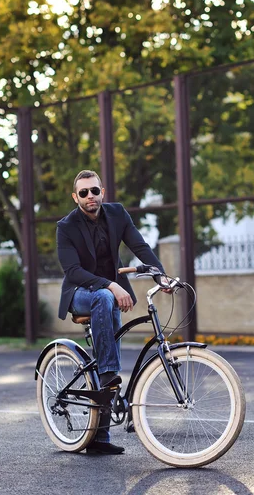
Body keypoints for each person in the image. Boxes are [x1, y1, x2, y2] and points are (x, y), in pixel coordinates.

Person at [56, 169, 167, 455]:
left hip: (108, 296)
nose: (90, 196)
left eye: (94, 190)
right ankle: (107, 375)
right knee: (105, 299)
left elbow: (139, 245)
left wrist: (161, 275)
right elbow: (73, 271)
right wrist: (110, 285)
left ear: (102, 191)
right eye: (83, 193)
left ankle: (100, 440)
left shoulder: (117, 214)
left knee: (108, 315)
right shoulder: (66, 226)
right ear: (75, 197)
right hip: (80, 293)